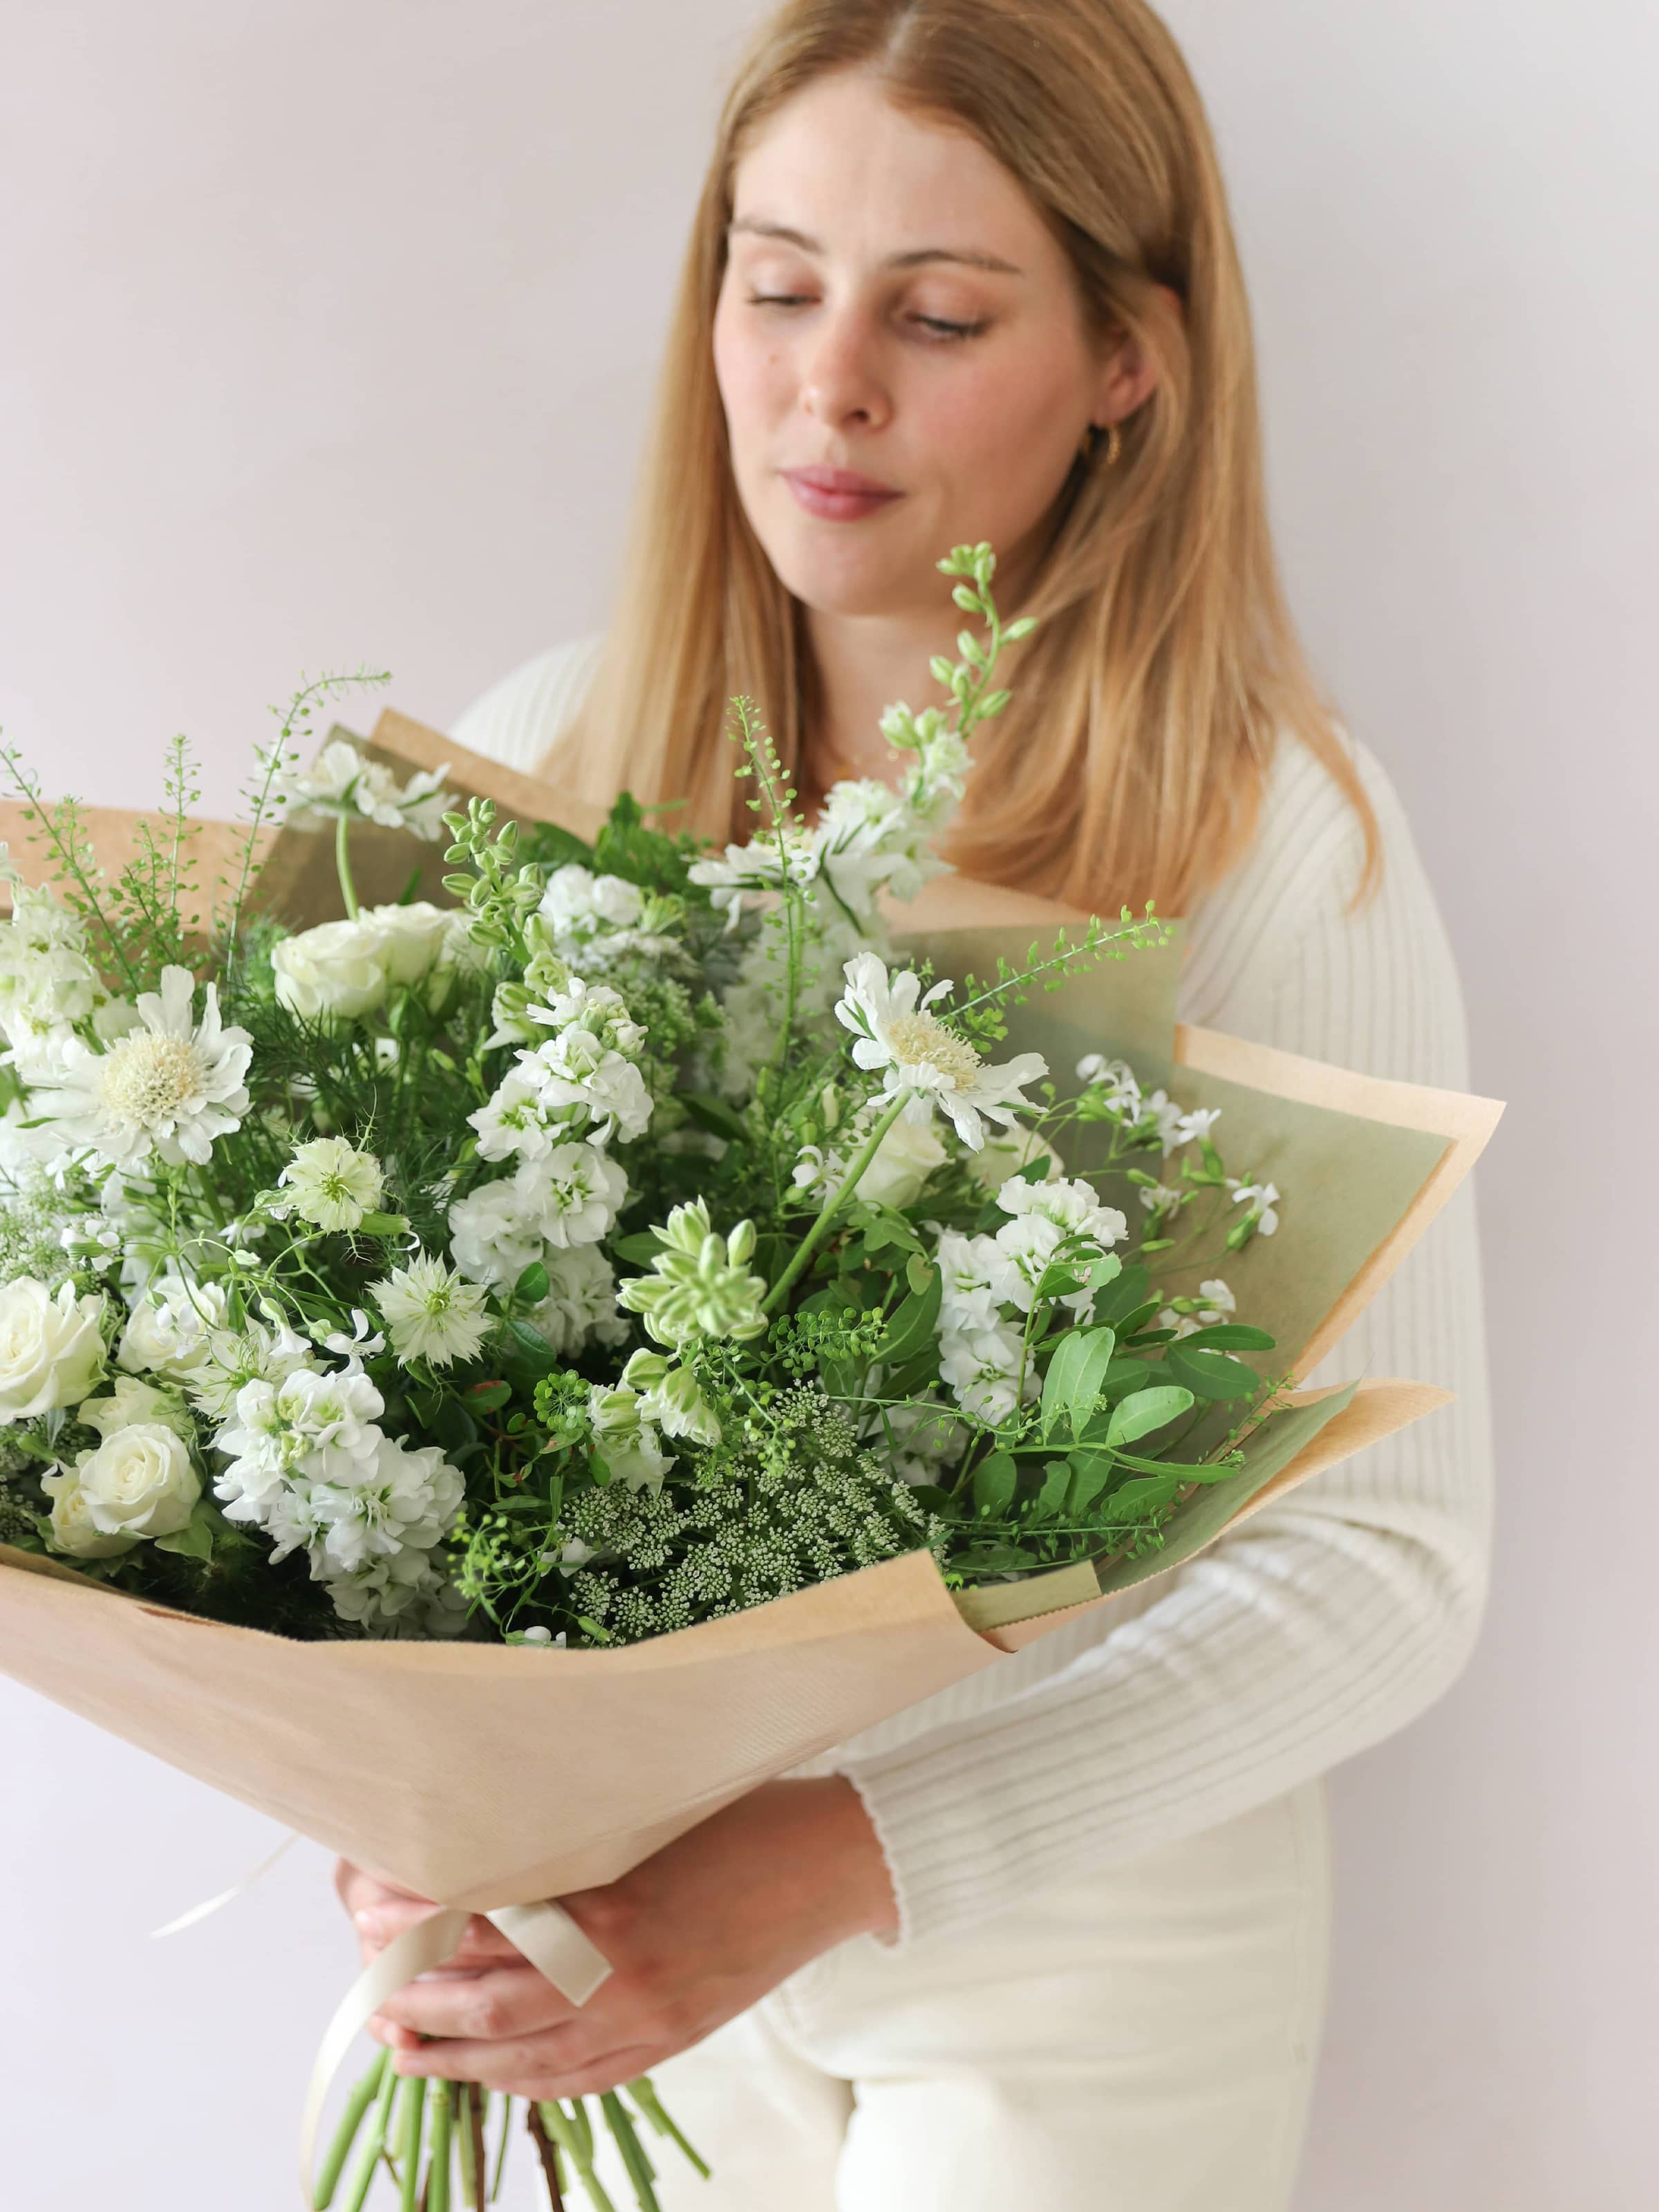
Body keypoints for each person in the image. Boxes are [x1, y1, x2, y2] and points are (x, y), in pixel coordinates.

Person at [337, 3, 1493, 2204]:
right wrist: (404, 1798)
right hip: (582, 1946)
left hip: (1083, 1952)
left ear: (1127, 360)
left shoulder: (1272, 839)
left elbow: (1388, 1562)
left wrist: (835, 1853)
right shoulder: (552, 759)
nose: (825, 382)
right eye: (774, 284)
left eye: (939, 314)